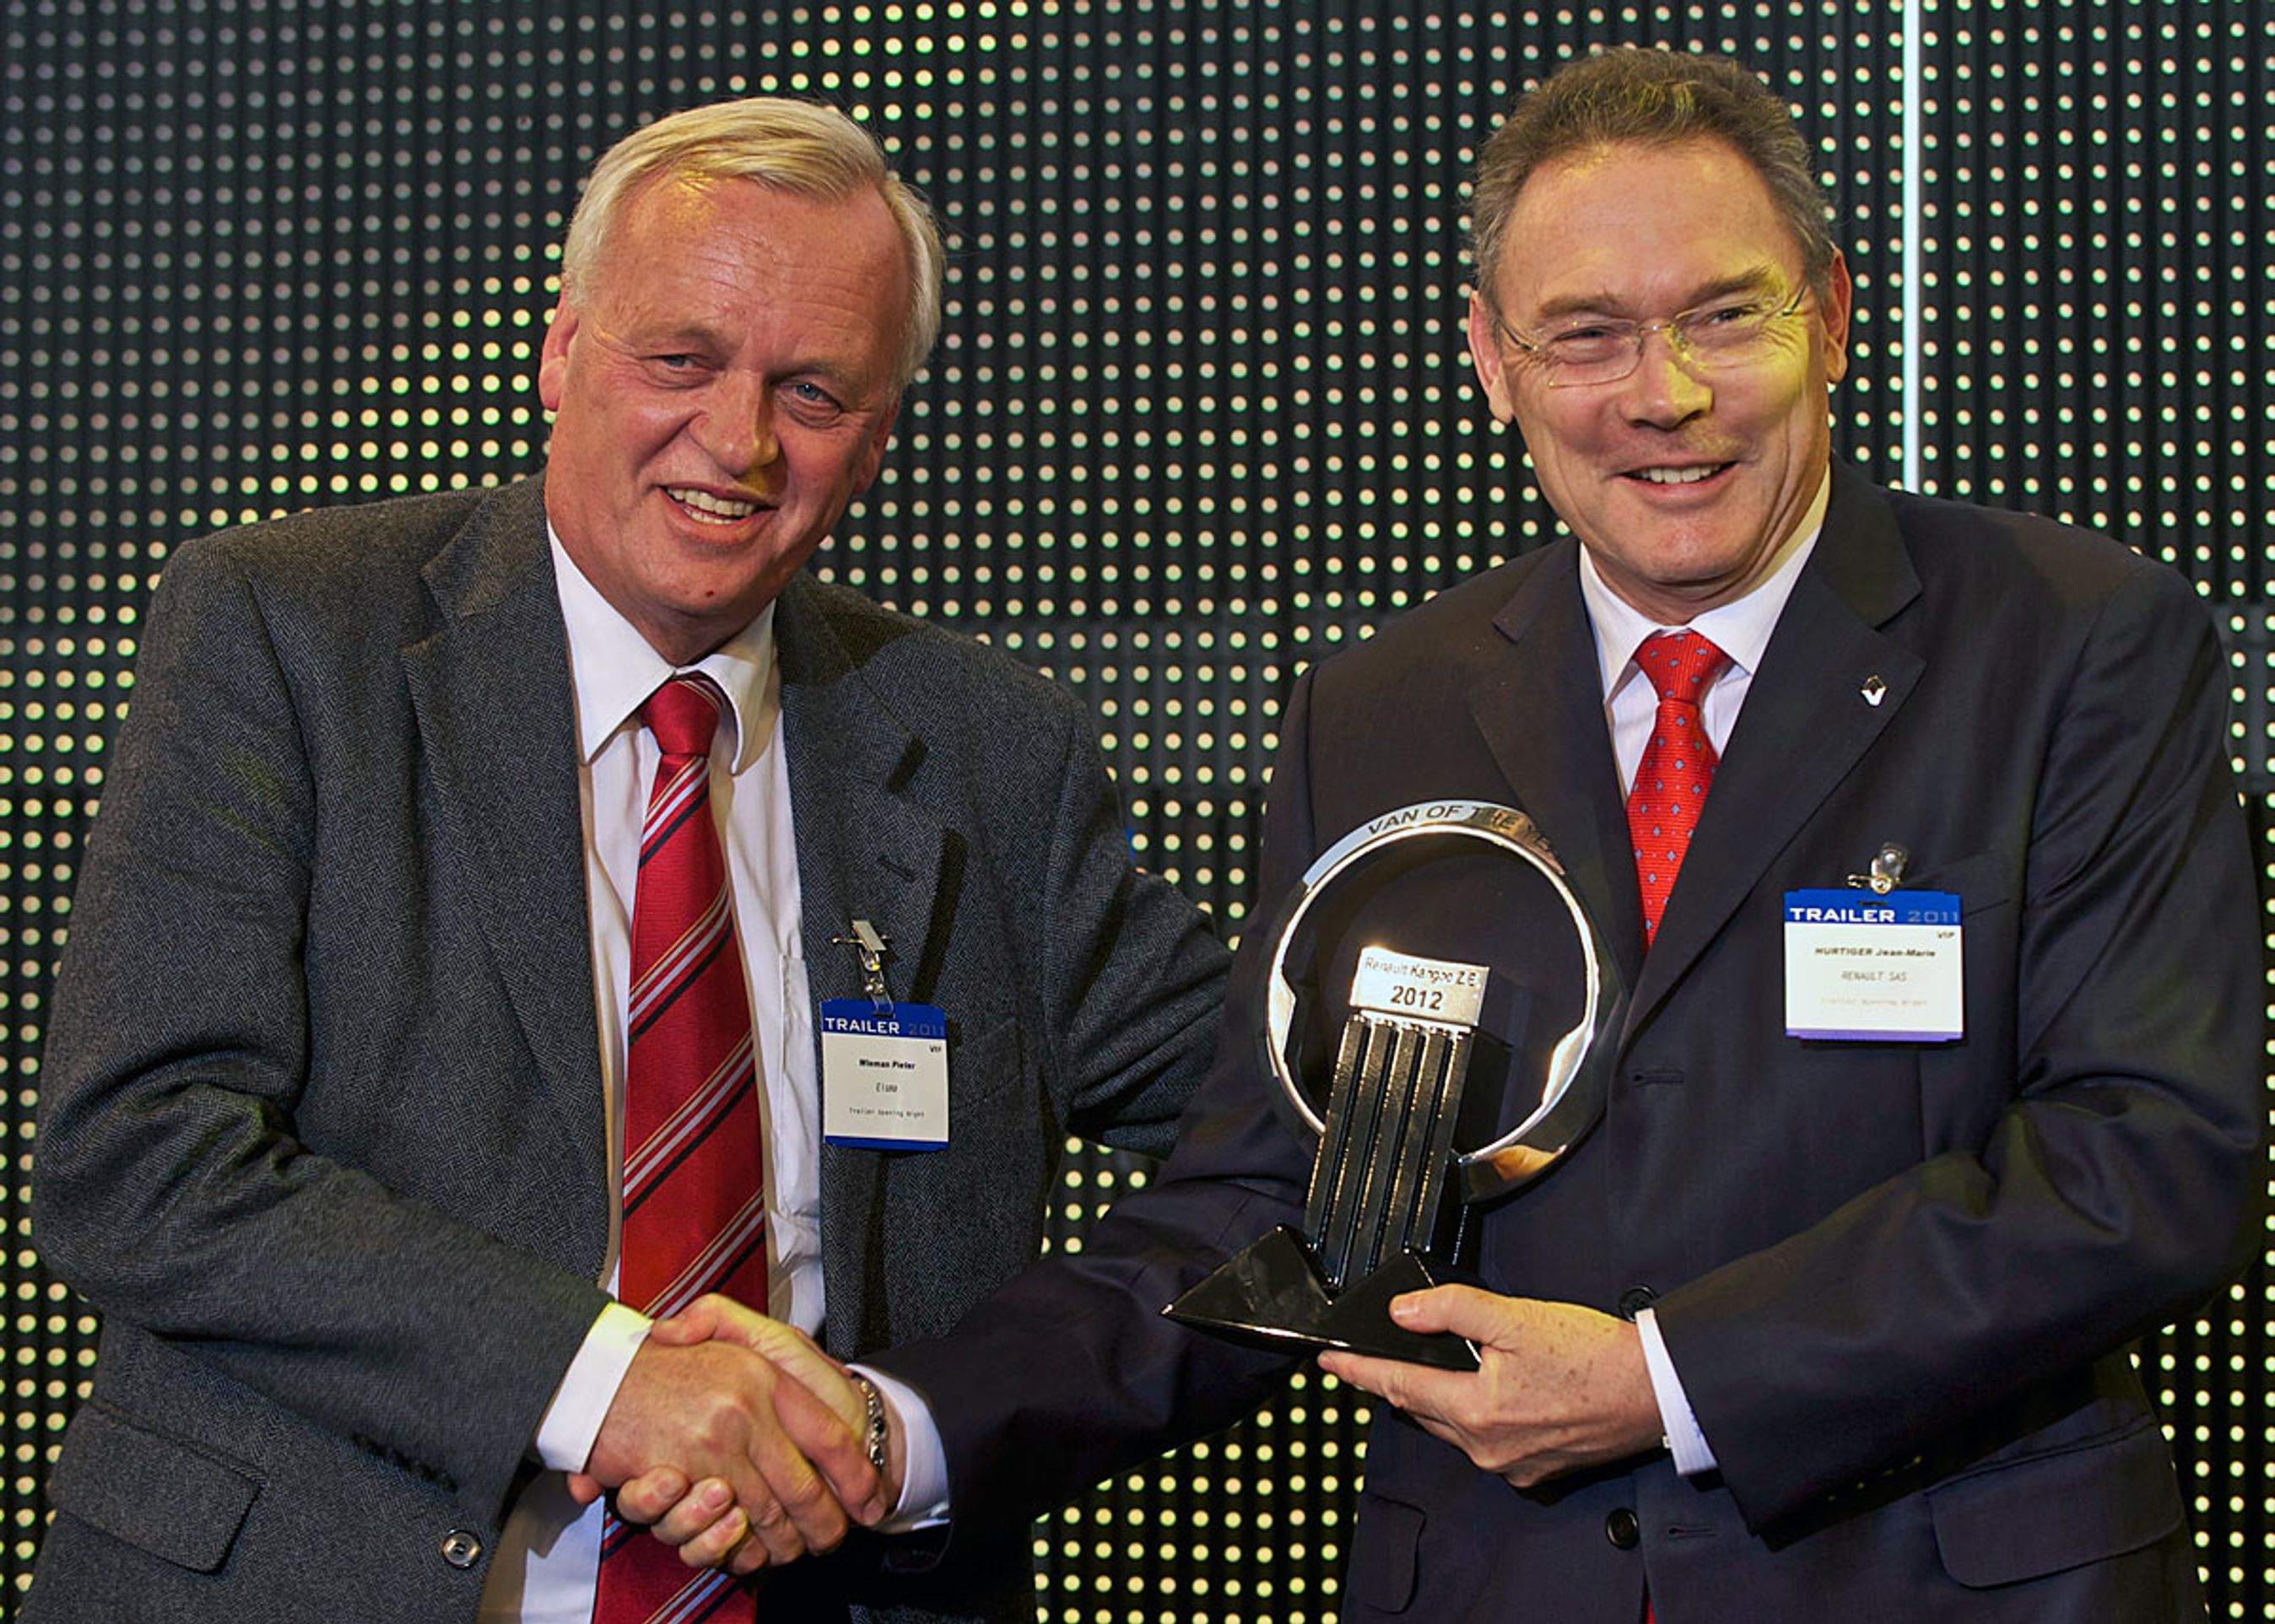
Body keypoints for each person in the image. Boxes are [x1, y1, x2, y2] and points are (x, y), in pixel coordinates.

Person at [673, 47, 2251, 1622]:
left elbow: (2149, 1160)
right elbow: (1272, 1198)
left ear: (1830, 314)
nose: (1663, 396)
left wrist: (1666, 1378)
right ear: (1492, 362)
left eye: (1723, 315)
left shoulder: (2076, 645)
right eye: (1588, 335)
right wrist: (899, 1430)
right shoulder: (1381, 709)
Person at [24, 96, 1225, 1624]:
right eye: (683, 359)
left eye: (813, 389)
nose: (737, 440)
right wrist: (603, 1381)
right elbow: (137, 1150)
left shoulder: (992, 749)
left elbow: (1266, 1140)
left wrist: (919, 1425)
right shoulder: (285, 630)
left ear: (880, 435)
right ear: (559, 350)